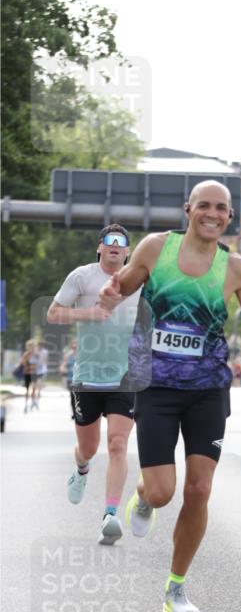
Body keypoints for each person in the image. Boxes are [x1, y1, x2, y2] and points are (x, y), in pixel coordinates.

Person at [98, 180, 241, 612]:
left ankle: (176, 588)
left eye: (221, 207)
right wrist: (110, 293)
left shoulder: (236, 268)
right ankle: (143, 496)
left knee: (199, 489)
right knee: (162, 492)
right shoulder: (155, 248)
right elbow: (122, 287)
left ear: (229, 216)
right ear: (188, 209)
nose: (212, 213)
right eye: (204, 205)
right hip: (156, 386)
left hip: (208, 390)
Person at [47, 224, 141, 545]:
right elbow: (54, 314)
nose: (115, 245)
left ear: (127, 252)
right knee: (88, 448)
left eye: (121, 242)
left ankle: (110, 515)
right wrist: (89, 313)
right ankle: (82, 469)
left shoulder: (138, 281)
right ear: (100, 247)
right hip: (87, 376)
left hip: (125, 377)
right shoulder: (82, 276)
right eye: (109, 241)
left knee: (117, 444)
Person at [19, 340, 40, 413]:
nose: (31, 348)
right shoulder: (26, 354)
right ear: (27, 347)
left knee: (34, 388)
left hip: (34, 373)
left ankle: (33, 402)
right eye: (30, 346)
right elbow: (22, 363)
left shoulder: (36, 354)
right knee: (27, 390)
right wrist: (27, 358)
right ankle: (26, 404)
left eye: (32, 346)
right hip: (27, 373)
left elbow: (38, 363)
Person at [33, 340, 49, 407]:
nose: (40, 346)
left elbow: (46, 360)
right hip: (34, 369)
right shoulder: (35, 350)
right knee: (34, 384)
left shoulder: (45, 351)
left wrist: (45, 368)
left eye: (41, 345)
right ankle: (34, 396)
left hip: (41, 369)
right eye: (39, 345)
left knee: (39, 382)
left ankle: (39, 393)